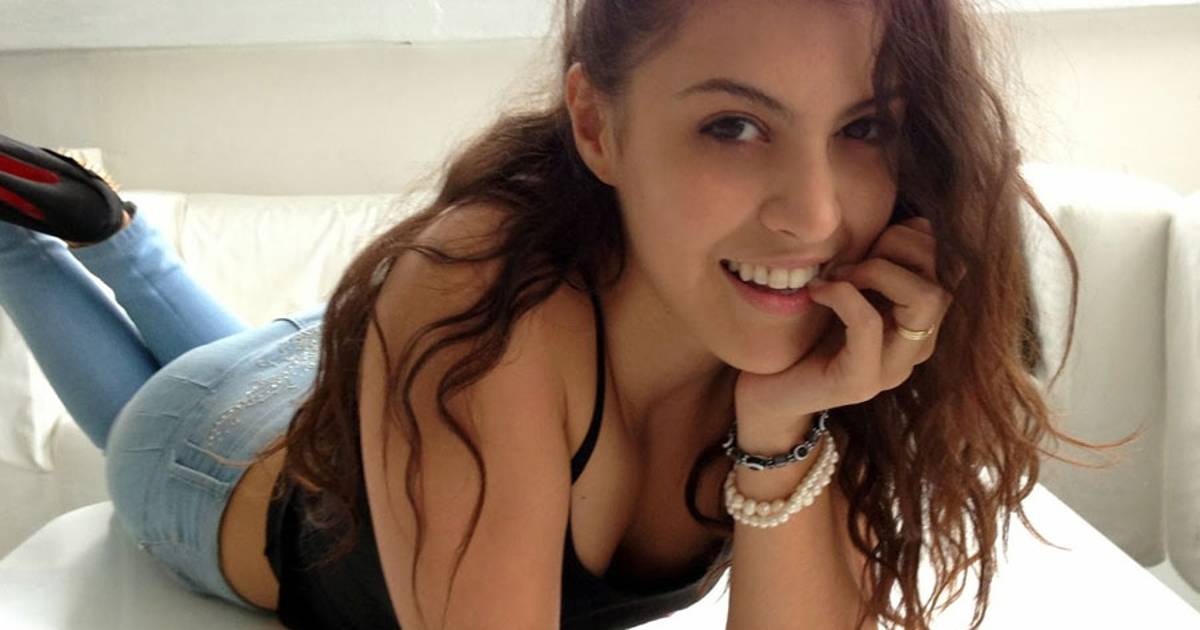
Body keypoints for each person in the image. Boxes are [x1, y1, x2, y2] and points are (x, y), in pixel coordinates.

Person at [0, 0, 1141, 629]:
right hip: (214, 458)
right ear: (596, 126)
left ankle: (115, 232)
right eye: (734, 126)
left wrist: (782, 420)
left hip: (343, 377)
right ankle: (33, 238)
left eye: (865, 128)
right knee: (150, 413)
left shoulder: (815, 335)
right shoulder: (478, 300)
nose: (814, 215)